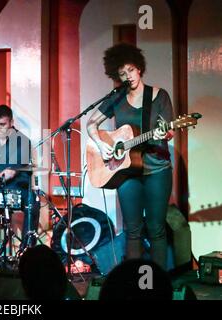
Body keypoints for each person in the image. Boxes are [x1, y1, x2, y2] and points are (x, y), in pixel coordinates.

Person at [86, 43, 174, 270]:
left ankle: (158, 284)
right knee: (132, 230)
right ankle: (133, 284)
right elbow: (91, 123)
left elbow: (170, 131)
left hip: (157, 169)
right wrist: (100, 144)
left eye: (131, 70)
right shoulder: (117, 98)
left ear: (140, 69)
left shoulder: (159, 96)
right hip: (127, 172)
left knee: (156, 228)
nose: (128, 76)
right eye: (122, 73)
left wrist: (167, 131)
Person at [0, 105, 40, 247]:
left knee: (33, 205)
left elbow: (9, 173)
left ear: (11, 122)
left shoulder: (23, 142)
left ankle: (27, 251)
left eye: (2, 124)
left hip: (19, 189)